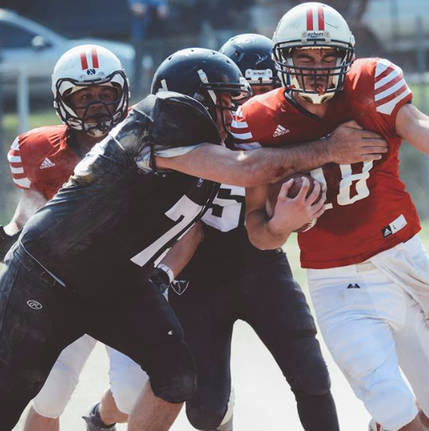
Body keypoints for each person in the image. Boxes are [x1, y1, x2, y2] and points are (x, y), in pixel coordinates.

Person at [0, 46, 387, 431]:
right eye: (224, 101)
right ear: (193, 99)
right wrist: (329, 149)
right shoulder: (163, 117)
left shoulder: (200, 159)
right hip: (51, 273)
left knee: (176, 376)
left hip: (114, 281)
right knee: (16, 391)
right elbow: (248, 169)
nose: (234, 113)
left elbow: (195, 226)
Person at [238, 3, 429, 431]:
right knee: (391, 403)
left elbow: (423, 128)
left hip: (404, 261)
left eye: (328, 56)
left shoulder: (371, 84)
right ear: (283, 59)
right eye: (305, 57)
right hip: (335, 281)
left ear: (346, 57)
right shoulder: (256, 120)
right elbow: (259, 234)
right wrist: (281, 224)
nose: (317, 68)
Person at [82, 38, 341, 431]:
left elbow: (269, 229)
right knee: (205, 411)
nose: (251, 104)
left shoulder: (275, 131)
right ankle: (107, 416)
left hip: (260, 266)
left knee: (311, 376)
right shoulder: (169, 137)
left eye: (266, 90)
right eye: (240, 94)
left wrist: (289, 220)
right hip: (197, 278)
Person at [1, 44, 130, 431]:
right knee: (49, 395)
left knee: (132, 395)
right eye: (84, 96)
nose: (98, 105)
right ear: (62, 100)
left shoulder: (146, 144)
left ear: (122, 93)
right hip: (63, 291)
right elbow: (24, 219)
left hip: (128, 291)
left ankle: (100, 419)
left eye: (106, 94)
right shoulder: (34, 151)